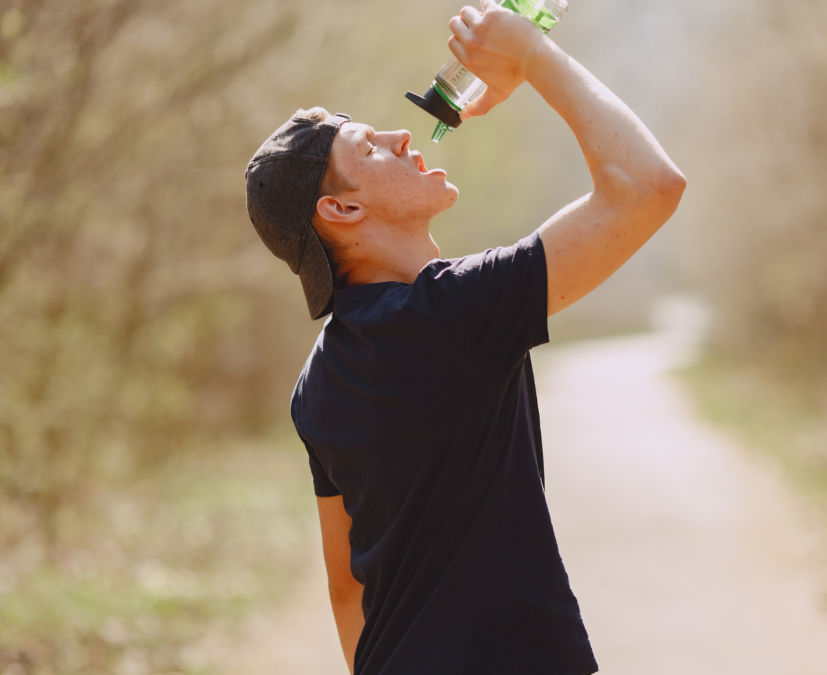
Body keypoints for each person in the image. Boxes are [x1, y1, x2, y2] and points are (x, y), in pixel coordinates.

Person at [244, 1, 684, 673]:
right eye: (369, 145)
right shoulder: (451, 314)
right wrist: (532, 58)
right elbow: (648, 186)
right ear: (343, 209)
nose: (399, 135)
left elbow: (345, 587)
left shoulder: (317, 383)